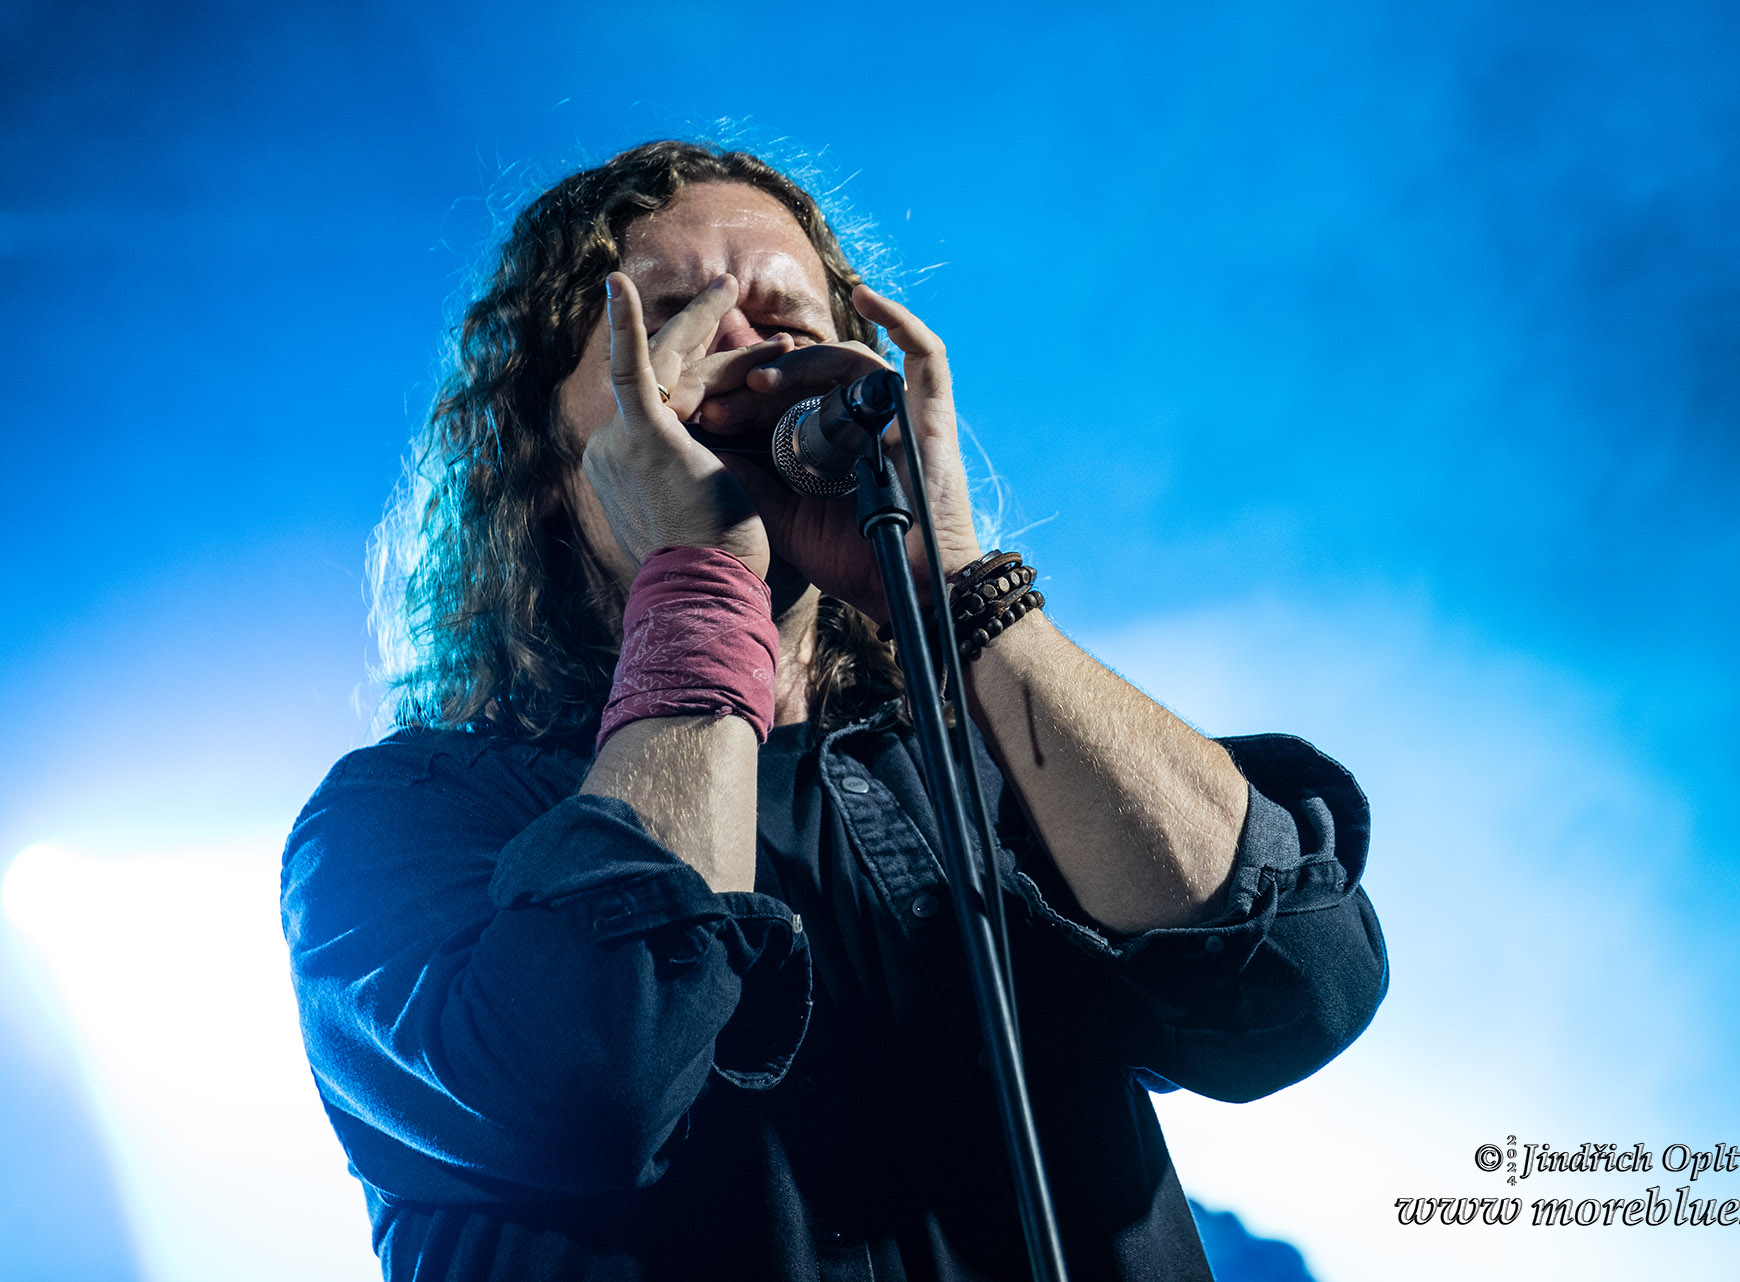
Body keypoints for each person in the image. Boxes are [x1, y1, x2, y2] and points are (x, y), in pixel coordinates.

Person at [282, 139, 1388, 1282]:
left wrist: (958, 587)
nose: (748, 354)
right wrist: (703, 577)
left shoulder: (987, 765)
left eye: (787, 317)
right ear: (549, 451)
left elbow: (1300, 985)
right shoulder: (402, 818)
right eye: (672, 313)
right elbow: (593, 1077)